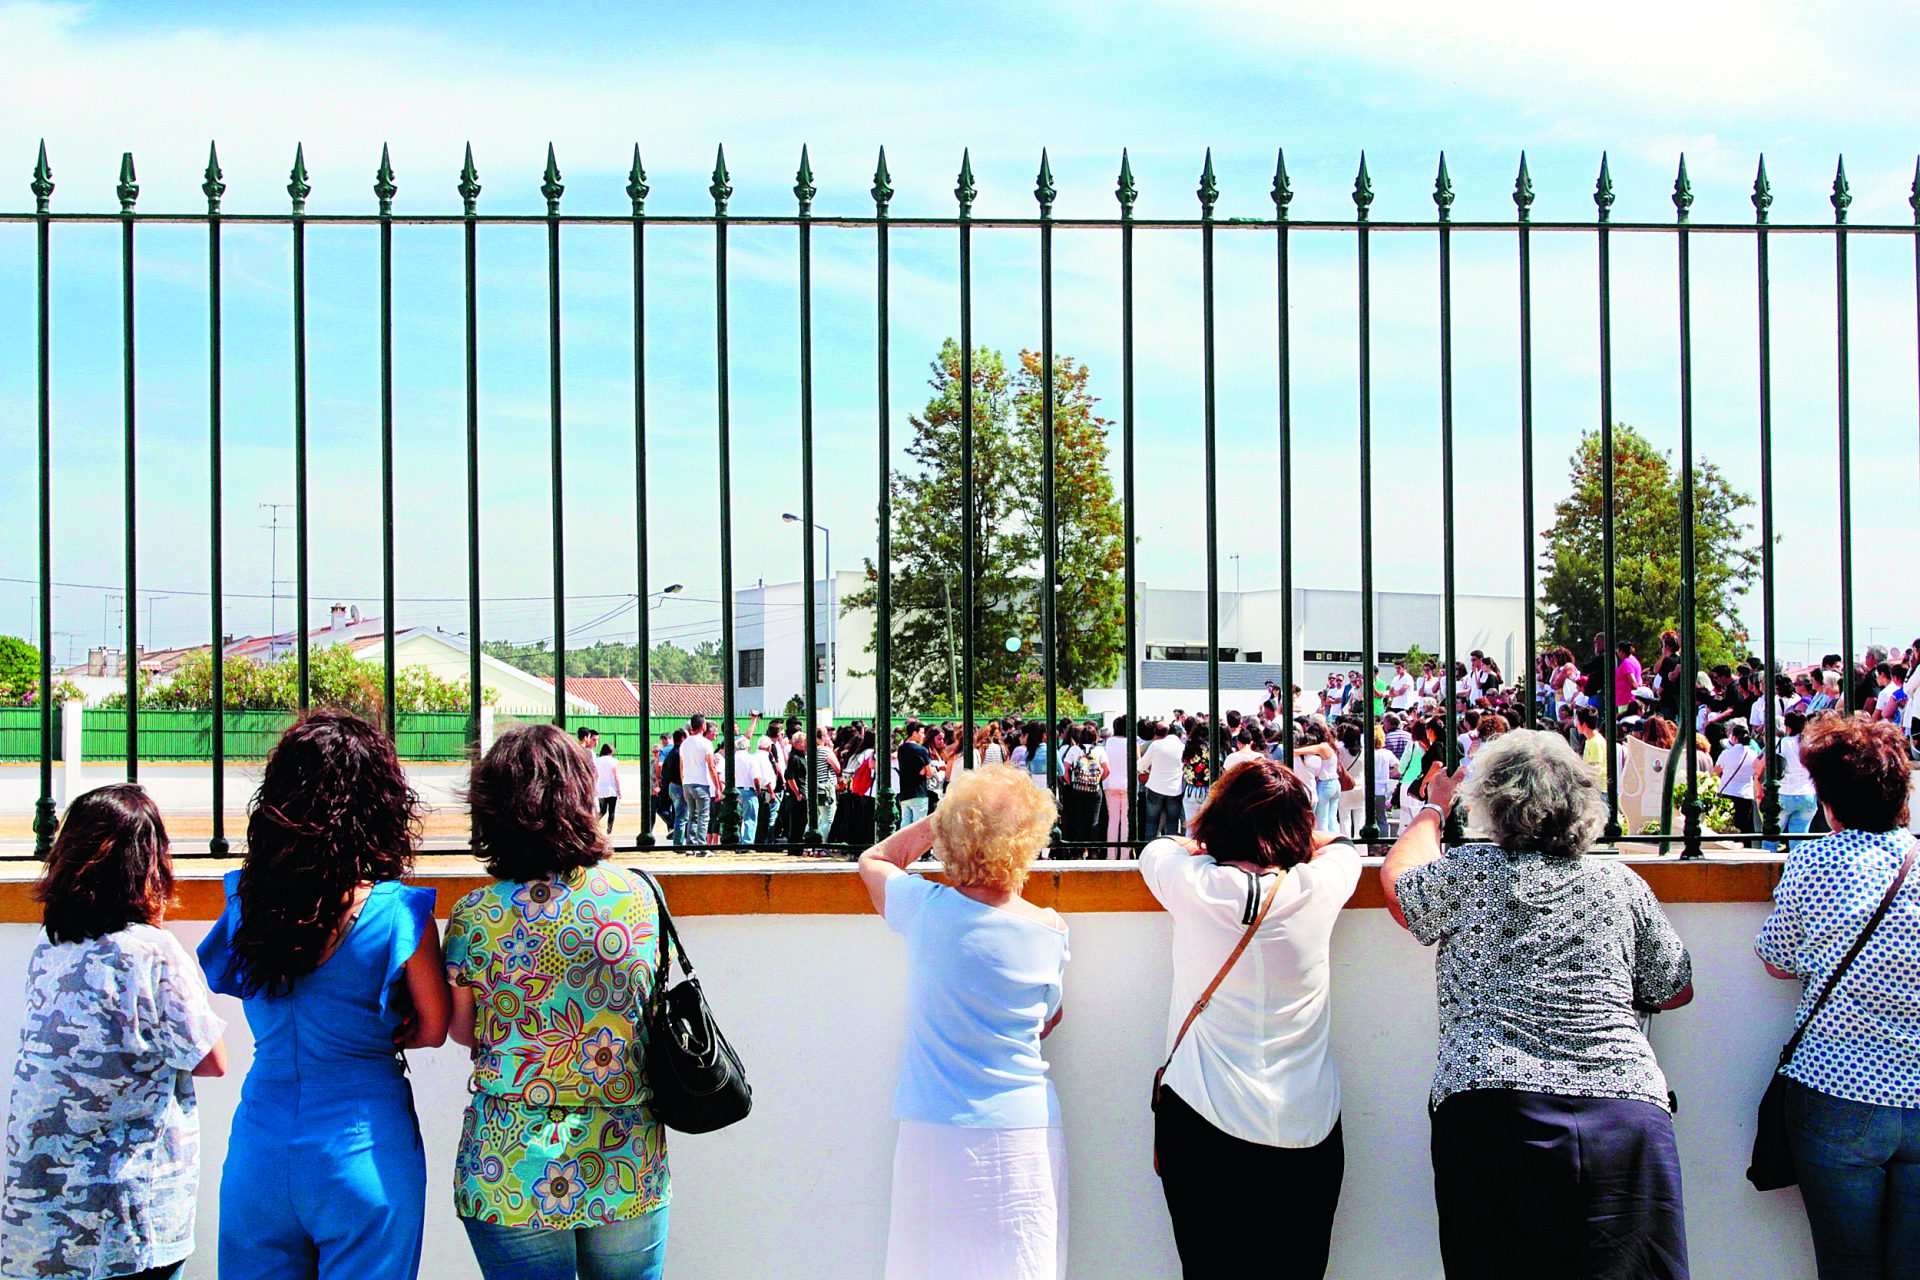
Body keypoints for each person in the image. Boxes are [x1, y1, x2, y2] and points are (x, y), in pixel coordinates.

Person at [1380, 730, 1694, 1280]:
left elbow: (1401, 885)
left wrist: (1433, 807)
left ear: (1493, 804)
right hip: (1624, 1111)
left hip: (1493, 1108)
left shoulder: (1470, 873)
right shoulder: (1620, 882)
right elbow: (1674, 986)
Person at [197, 710, 449, 1280]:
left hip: (259, 1149)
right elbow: (432, 1029)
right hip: (364, 1147)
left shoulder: (246, 903)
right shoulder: (398, 912)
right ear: (381, 801)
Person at [448, 724, 670, 1280]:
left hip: (509, 1164)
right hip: (625, 1153)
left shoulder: (476, 914)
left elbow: (463, 1030)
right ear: (583, 795)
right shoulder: (638, 895)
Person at [1141, 760, 1359, 1279]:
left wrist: (1204, 839)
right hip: (1307, 1123)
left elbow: (1160, 845)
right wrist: (1303, 839)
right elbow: (1344, 846)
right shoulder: (1318, 887)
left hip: (1204, 1117)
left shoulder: (1194, 885)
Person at [1, 785, 228, 1280]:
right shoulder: (152, 952)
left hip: (39, 1223)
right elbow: (211, 1059)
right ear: (148, 862)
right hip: (123, 1222)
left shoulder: (50, 945)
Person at [857, 766, 1069, 1280]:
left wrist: (940, 821)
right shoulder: (1049, 929)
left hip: (935, 1126)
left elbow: (876, 859)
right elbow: (1047, 1020)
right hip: (1025, 1126)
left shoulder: (925, 909)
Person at [1755, 714, 1920, 1279]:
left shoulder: (1813, 860)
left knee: (1847, 1265)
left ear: (1828, 800)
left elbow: (1776, 960)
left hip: (1835, 1088)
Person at [1773, 712, 1818, 843]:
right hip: (1808, 793)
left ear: (1788, 728)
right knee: (1799, 839)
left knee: (1772, 838)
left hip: (1785, 791)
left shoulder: (1782, 743)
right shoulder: (1810, 743)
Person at [678, 715, 719, 850]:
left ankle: (690, 845)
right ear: (703, 726)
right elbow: (711, 766)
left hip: (687, 782)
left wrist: (683, 780)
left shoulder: (685, 743)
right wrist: (717, 786)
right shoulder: (706, 743)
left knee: (692, 815)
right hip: (700, 782)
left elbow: (681, 765)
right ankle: (701, 846)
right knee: (703, 816)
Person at [1140, 721, 1185, 840]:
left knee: (1151, 824)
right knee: (1172, 825)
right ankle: (1172, 853)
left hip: (1155, 787)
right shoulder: (1182, 747)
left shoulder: (1156, 745)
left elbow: (1141, 766)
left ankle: (1148, 850)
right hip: (1175, 789)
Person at [1714, 721, 1760, 836]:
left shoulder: (1726, 754)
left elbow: (1715, 773)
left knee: (1725, 827)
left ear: (1734, 738)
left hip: (1727, 793)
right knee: (1742, 828)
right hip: (1746, 795)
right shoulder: (1754, 755)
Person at [1104, 716, 1136, 859]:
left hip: (1110, 784)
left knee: (1113, 820)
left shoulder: (1107, 742)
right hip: (1127, 784)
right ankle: (1124, 855)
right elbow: (1139, 763)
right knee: (1126, 821)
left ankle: (1111, 854)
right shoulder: (1132, 743)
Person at [897, 721, 933, 826]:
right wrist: (924, 770)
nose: (923, 736)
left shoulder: (901, 749)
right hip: (919, 792)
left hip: (904, 792)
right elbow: (930, 772)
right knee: (918, 824)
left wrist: (923, 770)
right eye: (922, 733)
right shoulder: (921, 750)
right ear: (914, 733)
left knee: (905, 824)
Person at [594, 741, 622, 833]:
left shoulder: (597, 761)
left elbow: (596, 775)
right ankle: (609, 830)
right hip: (611, 789)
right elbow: (616, 777)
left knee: (602, 810)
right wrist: (619, 790)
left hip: (600, 788)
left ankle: (594, 823)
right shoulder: (613, 761)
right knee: (611, 811)